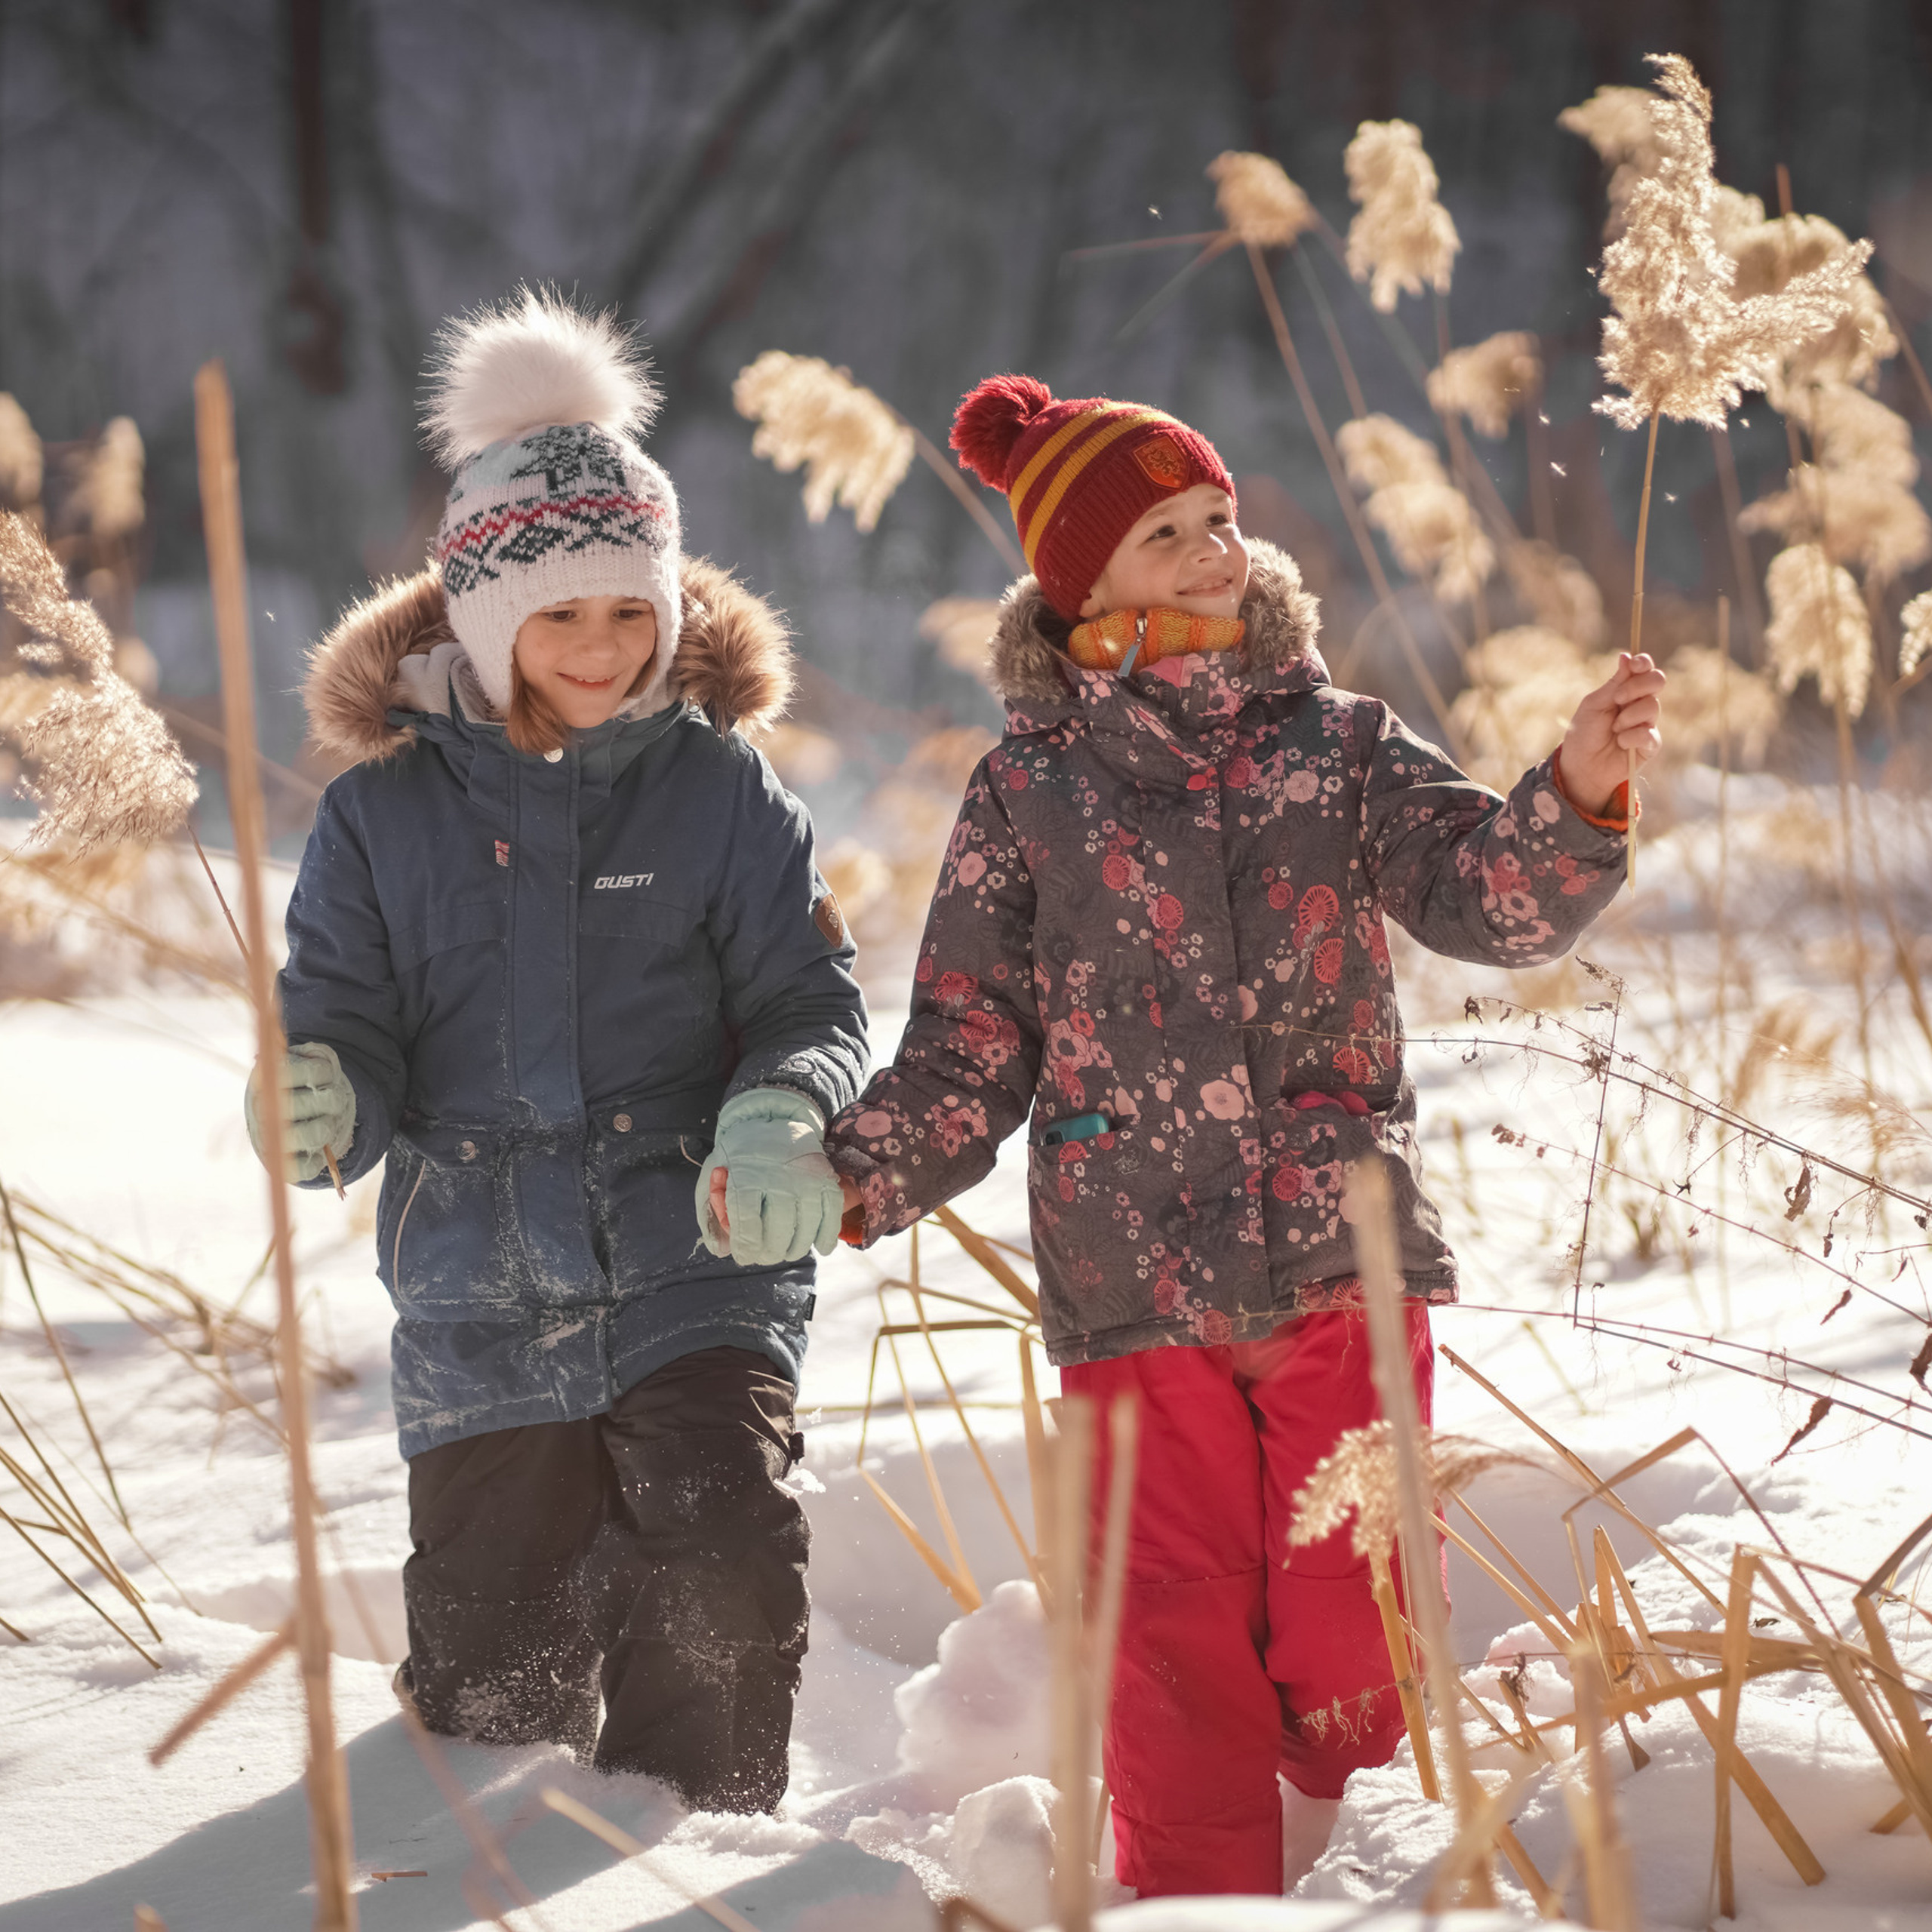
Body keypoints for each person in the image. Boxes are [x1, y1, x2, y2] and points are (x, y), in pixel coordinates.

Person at [820, 375, 1663, 1894]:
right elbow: (970, 1032)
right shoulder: (1027, 789)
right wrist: (858, 1164)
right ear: (1081, 585)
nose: (1215, 550)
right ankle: (1199, 1900)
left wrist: (1578, 794)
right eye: (1165, 534)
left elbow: (1485, 894)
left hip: (1338, 1252)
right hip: (1126, 1277)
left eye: (1216, 517)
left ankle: (1381, 1872)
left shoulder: (1334, 740)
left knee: (1357, 1589)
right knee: (1170, 1610)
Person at [246, 289, 866, 1813]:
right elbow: (338, 1017)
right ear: (476, 610)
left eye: (630, 609)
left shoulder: (722, 795)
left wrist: (785, 1107)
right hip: (478, 1276)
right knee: (493, 1653)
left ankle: (704, 1856)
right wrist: (316, 1094)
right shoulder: (380, 815)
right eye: (561, 611)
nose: (601, 645)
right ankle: (498, 1873)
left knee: (717, 1556)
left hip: (695, 1246)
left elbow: (809, 995)